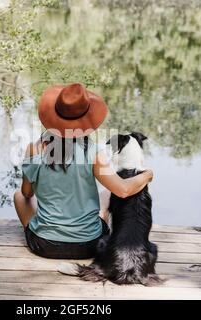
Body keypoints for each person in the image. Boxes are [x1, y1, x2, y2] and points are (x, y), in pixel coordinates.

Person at [13, 83, 153, 259]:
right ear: (86, 120)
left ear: (52, 117)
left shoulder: (34, 149)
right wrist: (147, 175)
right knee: (108, 192)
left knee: (18, 196)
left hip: (45, 245)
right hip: (90, 245)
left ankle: (46, 229)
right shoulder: (93, 152)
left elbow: (27, 193)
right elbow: (123, 190)